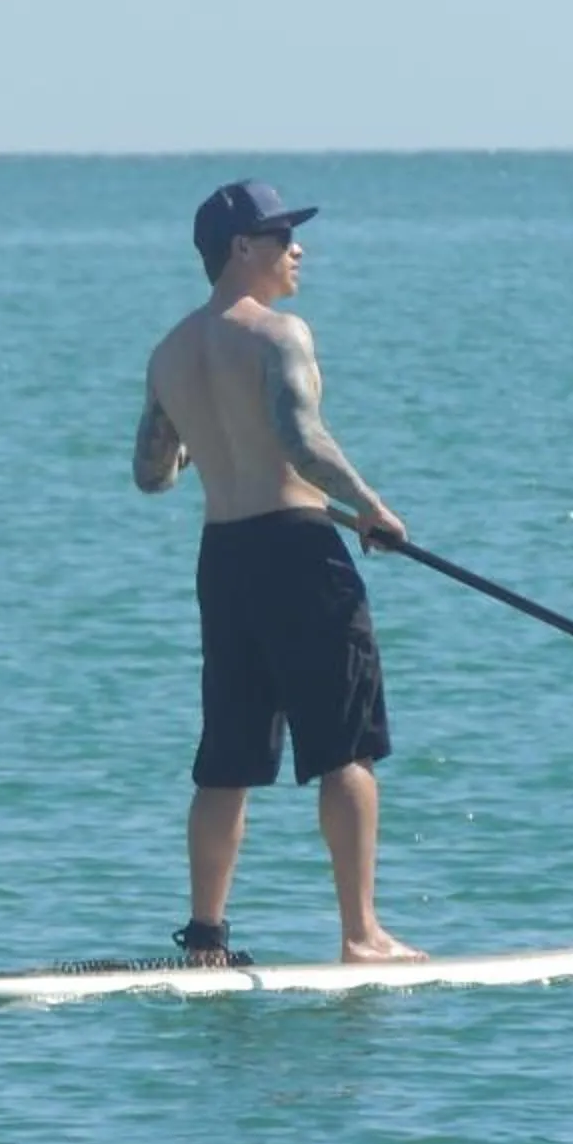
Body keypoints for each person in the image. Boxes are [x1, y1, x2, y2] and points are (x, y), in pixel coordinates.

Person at [133, 180, 423, 966]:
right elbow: (301, 439)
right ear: (240, 249)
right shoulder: (278, 335)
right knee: (345, 750)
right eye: (281, 235)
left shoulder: (169, 353)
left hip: (224, 561)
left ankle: (205, 940)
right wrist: (370, 506)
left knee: (227, 758)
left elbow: (152, 473)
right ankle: (361, 935)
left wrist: (206, 440)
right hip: (299, 553)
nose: (298, 249)